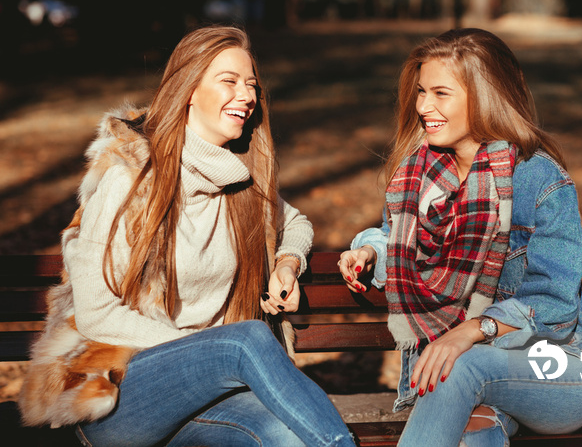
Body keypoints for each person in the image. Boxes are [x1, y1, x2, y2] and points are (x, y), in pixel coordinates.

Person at [19, 25, 356, 447]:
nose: (247, 95)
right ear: (190, 89)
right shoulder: (130, 179)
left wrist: (287, 264)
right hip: (117, 394)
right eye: (229, 81)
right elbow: (96, 314)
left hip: (207, 396)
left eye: (251, 84)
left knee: (284, 438)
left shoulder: (241, 180)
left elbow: (297, 223)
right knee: (245, 339)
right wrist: (205, 350)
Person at [338, 28, 582, 446]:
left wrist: (470, 331)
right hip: (470, 377)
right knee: (474, 432)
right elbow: (404, 248)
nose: (424, 106)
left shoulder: (538, 179)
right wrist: (370, 253)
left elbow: (554, 306)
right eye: (421, 92)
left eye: (440, 93)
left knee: (460, 365)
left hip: (558, 368)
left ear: (484, 96)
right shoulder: (419, 176)